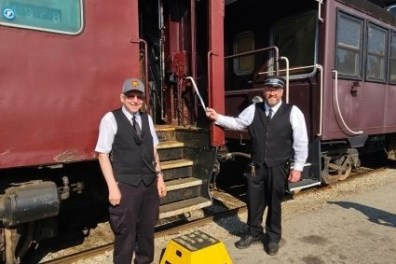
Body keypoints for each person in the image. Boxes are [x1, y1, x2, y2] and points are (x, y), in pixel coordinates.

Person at [206, 76, 308, 256]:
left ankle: (274, 237)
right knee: (253, 201)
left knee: (275, 203)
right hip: (256, 165)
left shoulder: (293, 112)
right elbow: (237, 123)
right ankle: (253, 232)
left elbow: (301, 141)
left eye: (276, 89)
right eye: (269, 89)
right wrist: (218, 117)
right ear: (264, 91)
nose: (272, 93)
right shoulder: (254, 109)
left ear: (282, 92)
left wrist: (297, 167)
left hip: (278, 166)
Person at [95, 78, 167, 264]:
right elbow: (102, 155)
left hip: (149, 184)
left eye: (139, 97)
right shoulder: (110, 119)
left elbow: (153, 151)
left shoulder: (147, 118)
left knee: (147, 231)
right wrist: (112, 187)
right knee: (125, 235)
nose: (135, 100)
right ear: (122, 97)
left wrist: (160, 178)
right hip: (126, 185)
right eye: (130, 96)